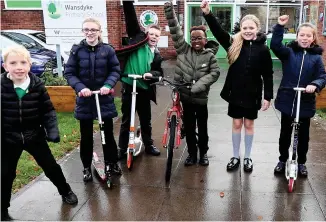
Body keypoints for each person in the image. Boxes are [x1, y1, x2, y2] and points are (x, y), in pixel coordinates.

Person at [1, 45, 78, 221]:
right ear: (5, 66)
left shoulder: (37, 85)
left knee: (51, 166)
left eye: (23, 62)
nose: (18, 67)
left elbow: (48, 111)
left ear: (29, 65)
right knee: (5, 173)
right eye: (13, 63)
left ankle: (65, 191)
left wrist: (52, 131)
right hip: (8, 138)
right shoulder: (1, 86)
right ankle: (2, 208)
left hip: (33, 135)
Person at [201, 0, 274, 172]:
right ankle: (235, 156)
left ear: (257, 29)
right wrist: (208, 13)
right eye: (245, 28)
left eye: (251, 28)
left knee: (249, 125)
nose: (248, 31)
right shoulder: (233, 43)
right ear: (241, 28)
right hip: (235, 93)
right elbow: (218, 32)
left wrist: (267, 96)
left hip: (252, 94)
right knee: (236, 124)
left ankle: (247, 157)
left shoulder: (263, 49)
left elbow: (268, 74)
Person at [64, 18, 121, 182]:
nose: (90, 33)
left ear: (99, 32)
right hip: (85, 99)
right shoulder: (77, 51)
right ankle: (86, 167)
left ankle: (112, 162)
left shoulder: (107, 50)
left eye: (93, 30)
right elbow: (69, 73)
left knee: (108, 134)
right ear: (83, 32)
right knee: (86, 135)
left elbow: (115, 70)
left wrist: (108, 84)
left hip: (103, 98)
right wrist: (81, 88)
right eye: (86, 30)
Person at [164, 1, 220, 166]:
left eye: (199, 38)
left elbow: (215, 73)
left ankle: (203, 154)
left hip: (201, 99)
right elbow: (175, 30)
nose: (195, 41)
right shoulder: (183, 50)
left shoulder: (210, 56)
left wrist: (198, 86)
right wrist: (169, 11)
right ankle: (191, 154)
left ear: (205, 40)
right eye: (193, 38)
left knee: (202, 129)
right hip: (186, 99)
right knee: (189, 128)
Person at [271, 15, 326, 177]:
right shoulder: (289, 53)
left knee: (303, 136)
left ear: (313, 38)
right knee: (285, 134)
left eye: (308, 35)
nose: (304, 38)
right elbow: (275, 45)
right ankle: (282, 160)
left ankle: (301, 162)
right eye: (302, 35)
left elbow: (322, 76)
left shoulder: (316, 58)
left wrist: (314, 84)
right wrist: (279, 27)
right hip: (288, 99)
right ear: (297, 37)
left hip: (305, 102)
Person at [117, 0, 164, 159]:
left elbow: (159, 72)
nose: (153, 37)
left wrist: (152, 74)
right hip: (130, 85)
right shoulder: (137, 39)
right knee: (126, 120)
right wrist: (128, 2)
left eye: (156, 36)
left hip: (144, 88)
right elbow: (131, 18)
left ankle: (149, 144)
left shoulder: (157, 54)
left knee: (146, 119)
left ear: (159, 38)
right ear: (146, 33)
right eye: (151, 34)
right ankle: (122, 148)